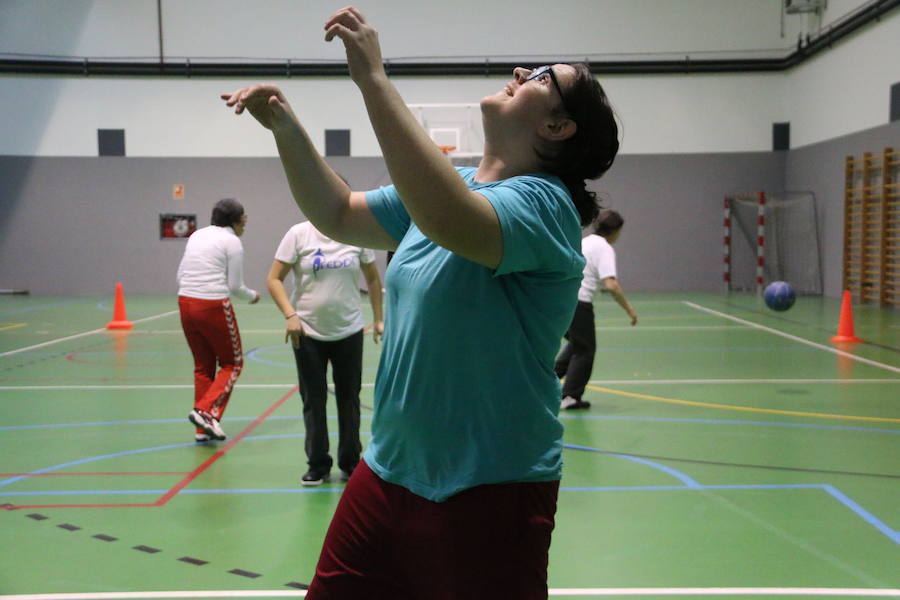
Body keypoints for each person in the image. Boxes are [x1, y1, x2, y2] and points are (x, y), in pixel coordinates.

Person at [221, 6, 619, 598]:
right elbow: (337, 212)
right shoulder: (449, 185)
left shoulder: (546, 206)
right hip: (387, 473)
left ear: (559, 128)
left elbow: (450, 218)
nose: (519, 71)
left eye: (539, 77)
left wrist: (374, 81)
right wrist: (284, 127)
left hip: (491, 489)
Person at [266, 219, 384, 486]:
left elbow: (374, 278)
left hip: (350, 331)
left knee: (349, 398)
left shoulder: (356, 233)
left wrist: (378, 318)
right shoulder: (298, 234)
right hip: (307, 333)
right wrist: (290, 314)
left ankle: (351, 462)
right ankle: (318, 464)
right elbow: (274, 279)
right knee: (313, 400)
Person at [176, 198, 260, 442]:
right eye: (243, 216)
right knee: (232, 363)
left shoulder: (196, 235)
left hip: (185, 302)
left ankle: (203, 428)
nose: (246, 221)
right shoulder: (232, 241)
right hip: (212, 305)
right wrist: (252, 296)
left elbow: (180, 274)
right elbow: (235, 286)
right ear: (234, 220)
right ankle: (204, 410)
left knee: (203, 366)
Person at [555, 209, 637, 410]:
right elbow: (611, 284)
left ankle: (543, 382)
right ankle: (570, 397)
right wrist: (629, 309)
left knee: (577, 345)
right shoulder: (604, 248)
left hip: (563, 300)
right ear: (615, 231)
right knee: (585, 350)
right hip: (579, 303)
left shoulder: (585, 241)